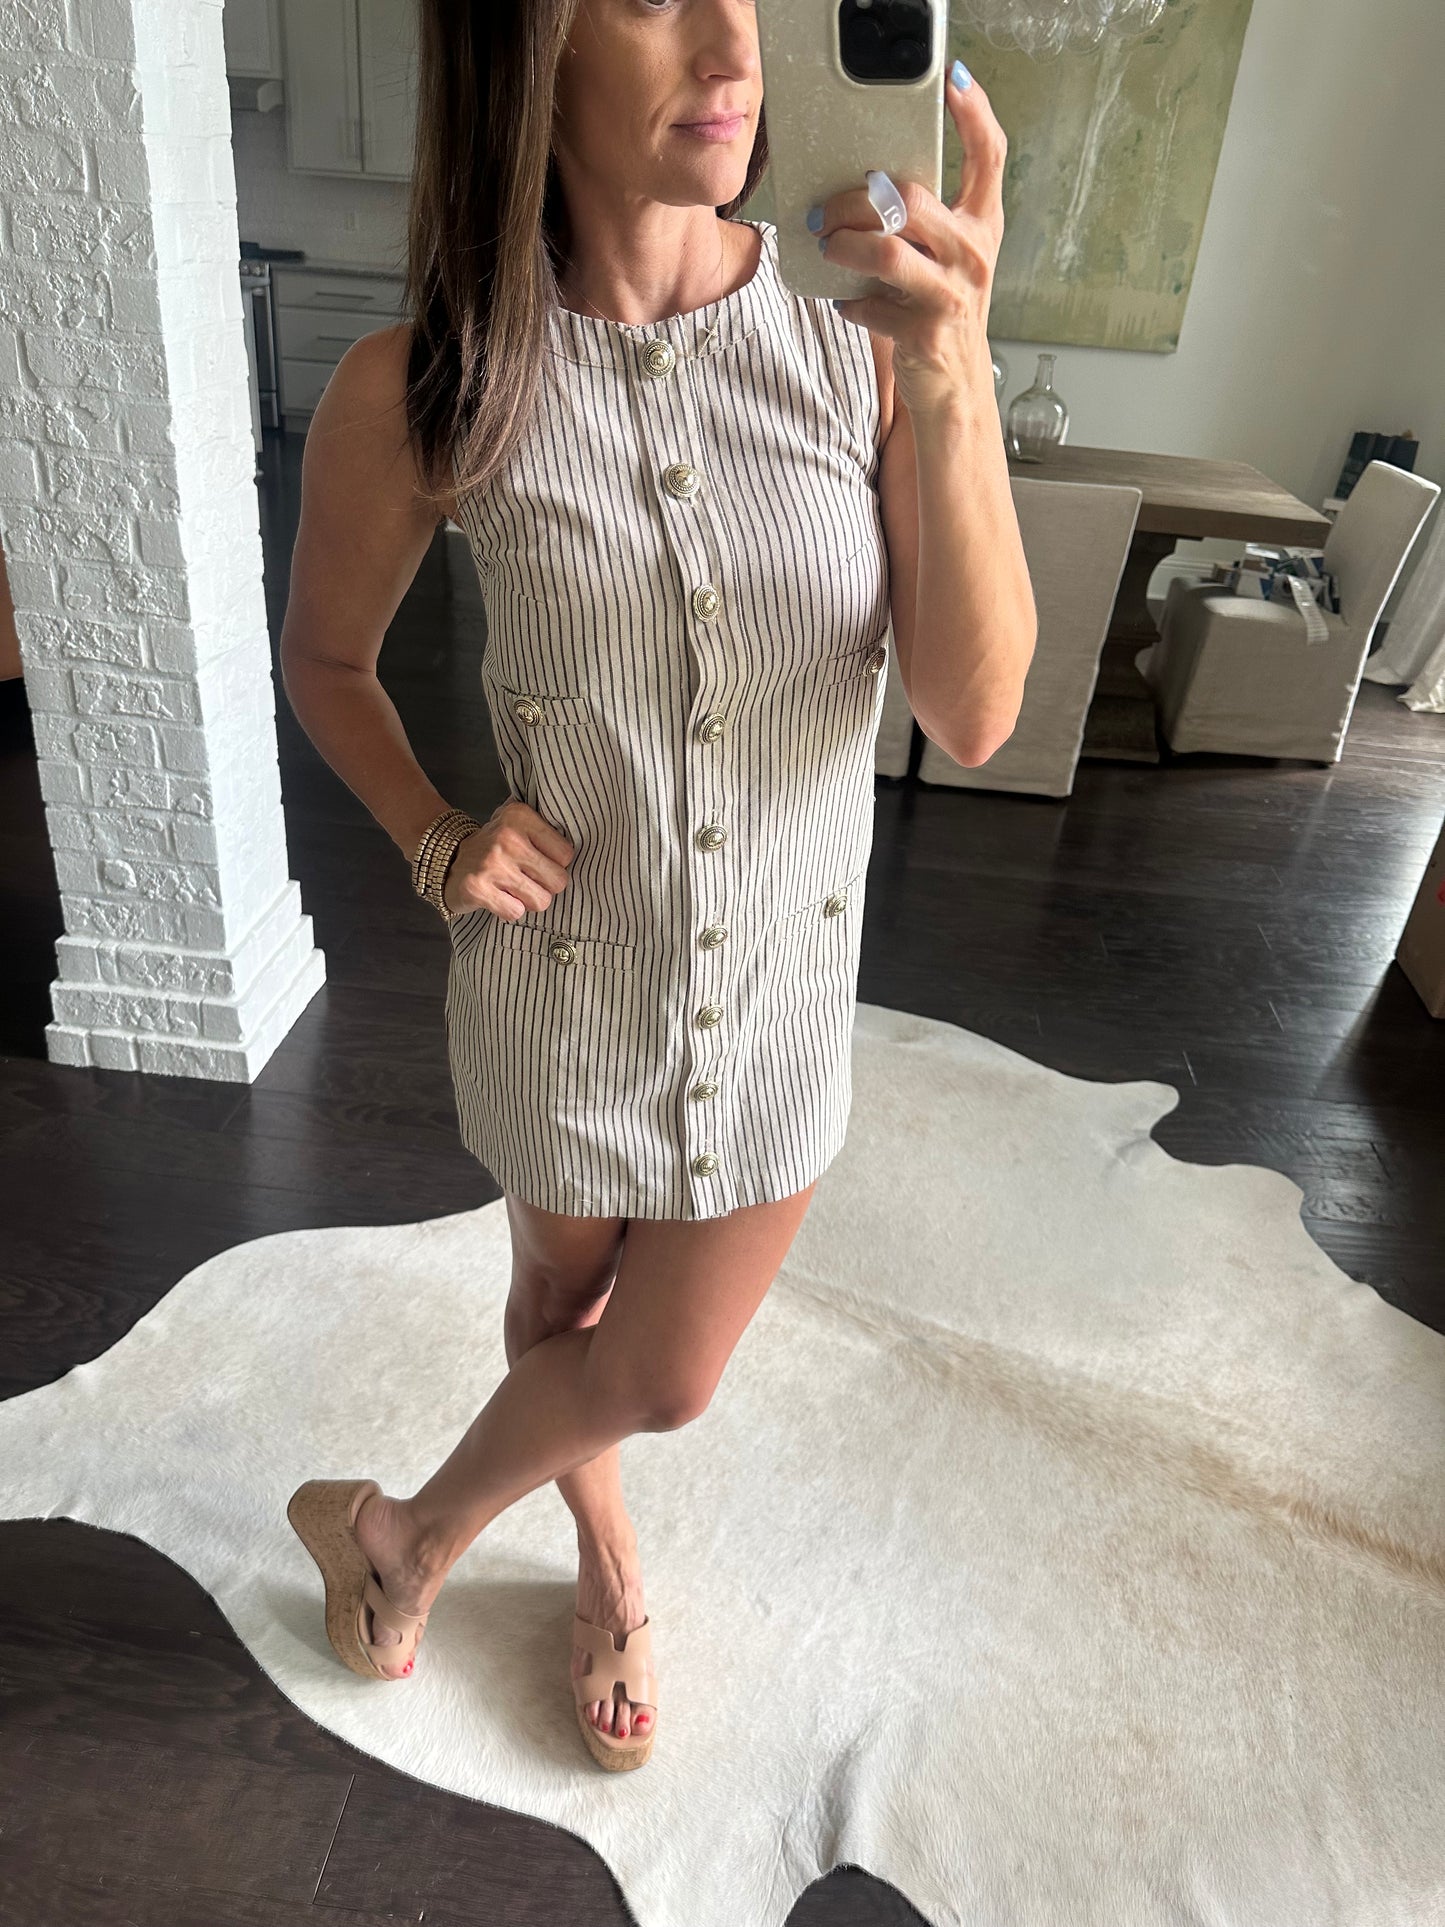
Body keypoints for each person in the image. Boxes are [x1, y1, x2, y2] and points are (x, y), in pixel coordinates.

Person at [280, 0, 1035, 1771]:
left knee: (666, 1371)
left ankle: (406, 1531)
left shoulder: (861, 344)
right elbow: (325, 660)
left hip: (776, 998)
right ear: (523, 49)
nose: (728, 43)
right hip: (561, 989)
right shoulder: (429, 384)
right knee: (560, 1312)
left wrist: (952, 374)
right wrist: (436, 836)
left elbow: (975, 711)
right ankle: (606, 1561)